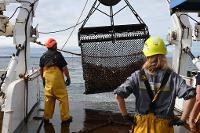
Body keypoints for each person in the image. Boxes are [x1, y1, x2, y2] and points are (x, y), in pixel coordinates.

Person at [114, 36, 196, 133]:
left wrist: (126, 116)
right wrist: (182, 119)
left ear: (147, 56)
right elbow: (191, 95)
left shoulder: (138, 76)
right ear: (164, 55)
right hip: (163, 127)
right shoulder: (172, 77)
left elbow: (119, 95)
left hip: (141, 126)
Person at [39, 38, 72, 125]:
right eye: (56, 44)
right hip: (57, 82)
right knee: (63, 98)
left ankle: (46, 118)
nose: (56, 46)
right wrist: (68, 78)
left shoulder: (42, 56)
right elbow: (65, 68)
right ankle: (65, 118)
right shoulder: (58, 55)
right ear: (54, 46)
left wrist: (43, 80)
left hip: (48, 82)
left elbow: (41, 70)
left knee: (48, 99)